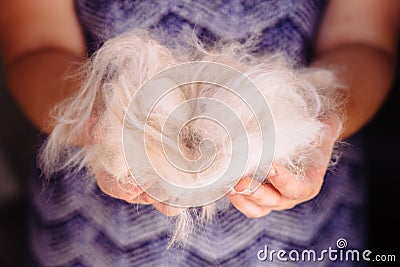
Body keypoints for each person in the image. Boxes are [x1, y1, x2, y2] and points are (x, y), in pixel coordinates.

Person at [0, 0, 398, 266]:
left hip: (300, 243)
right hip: (97, 236)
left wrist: (320, 122)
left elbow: (364, 40)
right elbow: (35, 43)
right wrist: (94, 120)